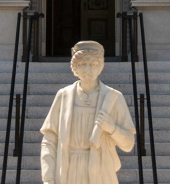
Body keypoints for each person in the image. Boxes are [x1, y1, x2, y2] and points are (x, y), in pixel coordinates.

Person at [40, 40, 137, 184]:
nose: (88, 70)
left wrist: (112, 128)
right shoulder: (63, 96)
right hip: (68, 169)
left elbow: (128, 144)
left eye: (93, 65)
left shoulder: (113, 97)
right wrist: (48, 177)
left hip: (101, 171)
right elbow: (49, 140)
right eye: (83, 64)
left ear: (100, 67)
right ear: (75, 68)